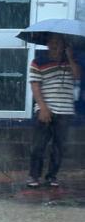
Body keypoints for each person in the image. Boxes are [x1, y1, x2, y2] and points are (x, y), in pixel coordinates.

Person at [27, 33, 82, 188]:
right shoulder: (38, 62)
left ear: (64, 45)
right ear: (47, 44)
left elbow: (77, 76)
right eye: (52, 42)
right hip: (45, 109)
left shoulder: (70, 62)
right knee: (38, 145)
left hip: (64, 111)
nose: (55, 45)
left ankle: (52, 176)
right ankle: (34, 176)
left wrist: (70, 57)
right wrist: (43, 107)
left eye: (59, 42)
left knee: (59, 147)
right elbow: (35, 86)